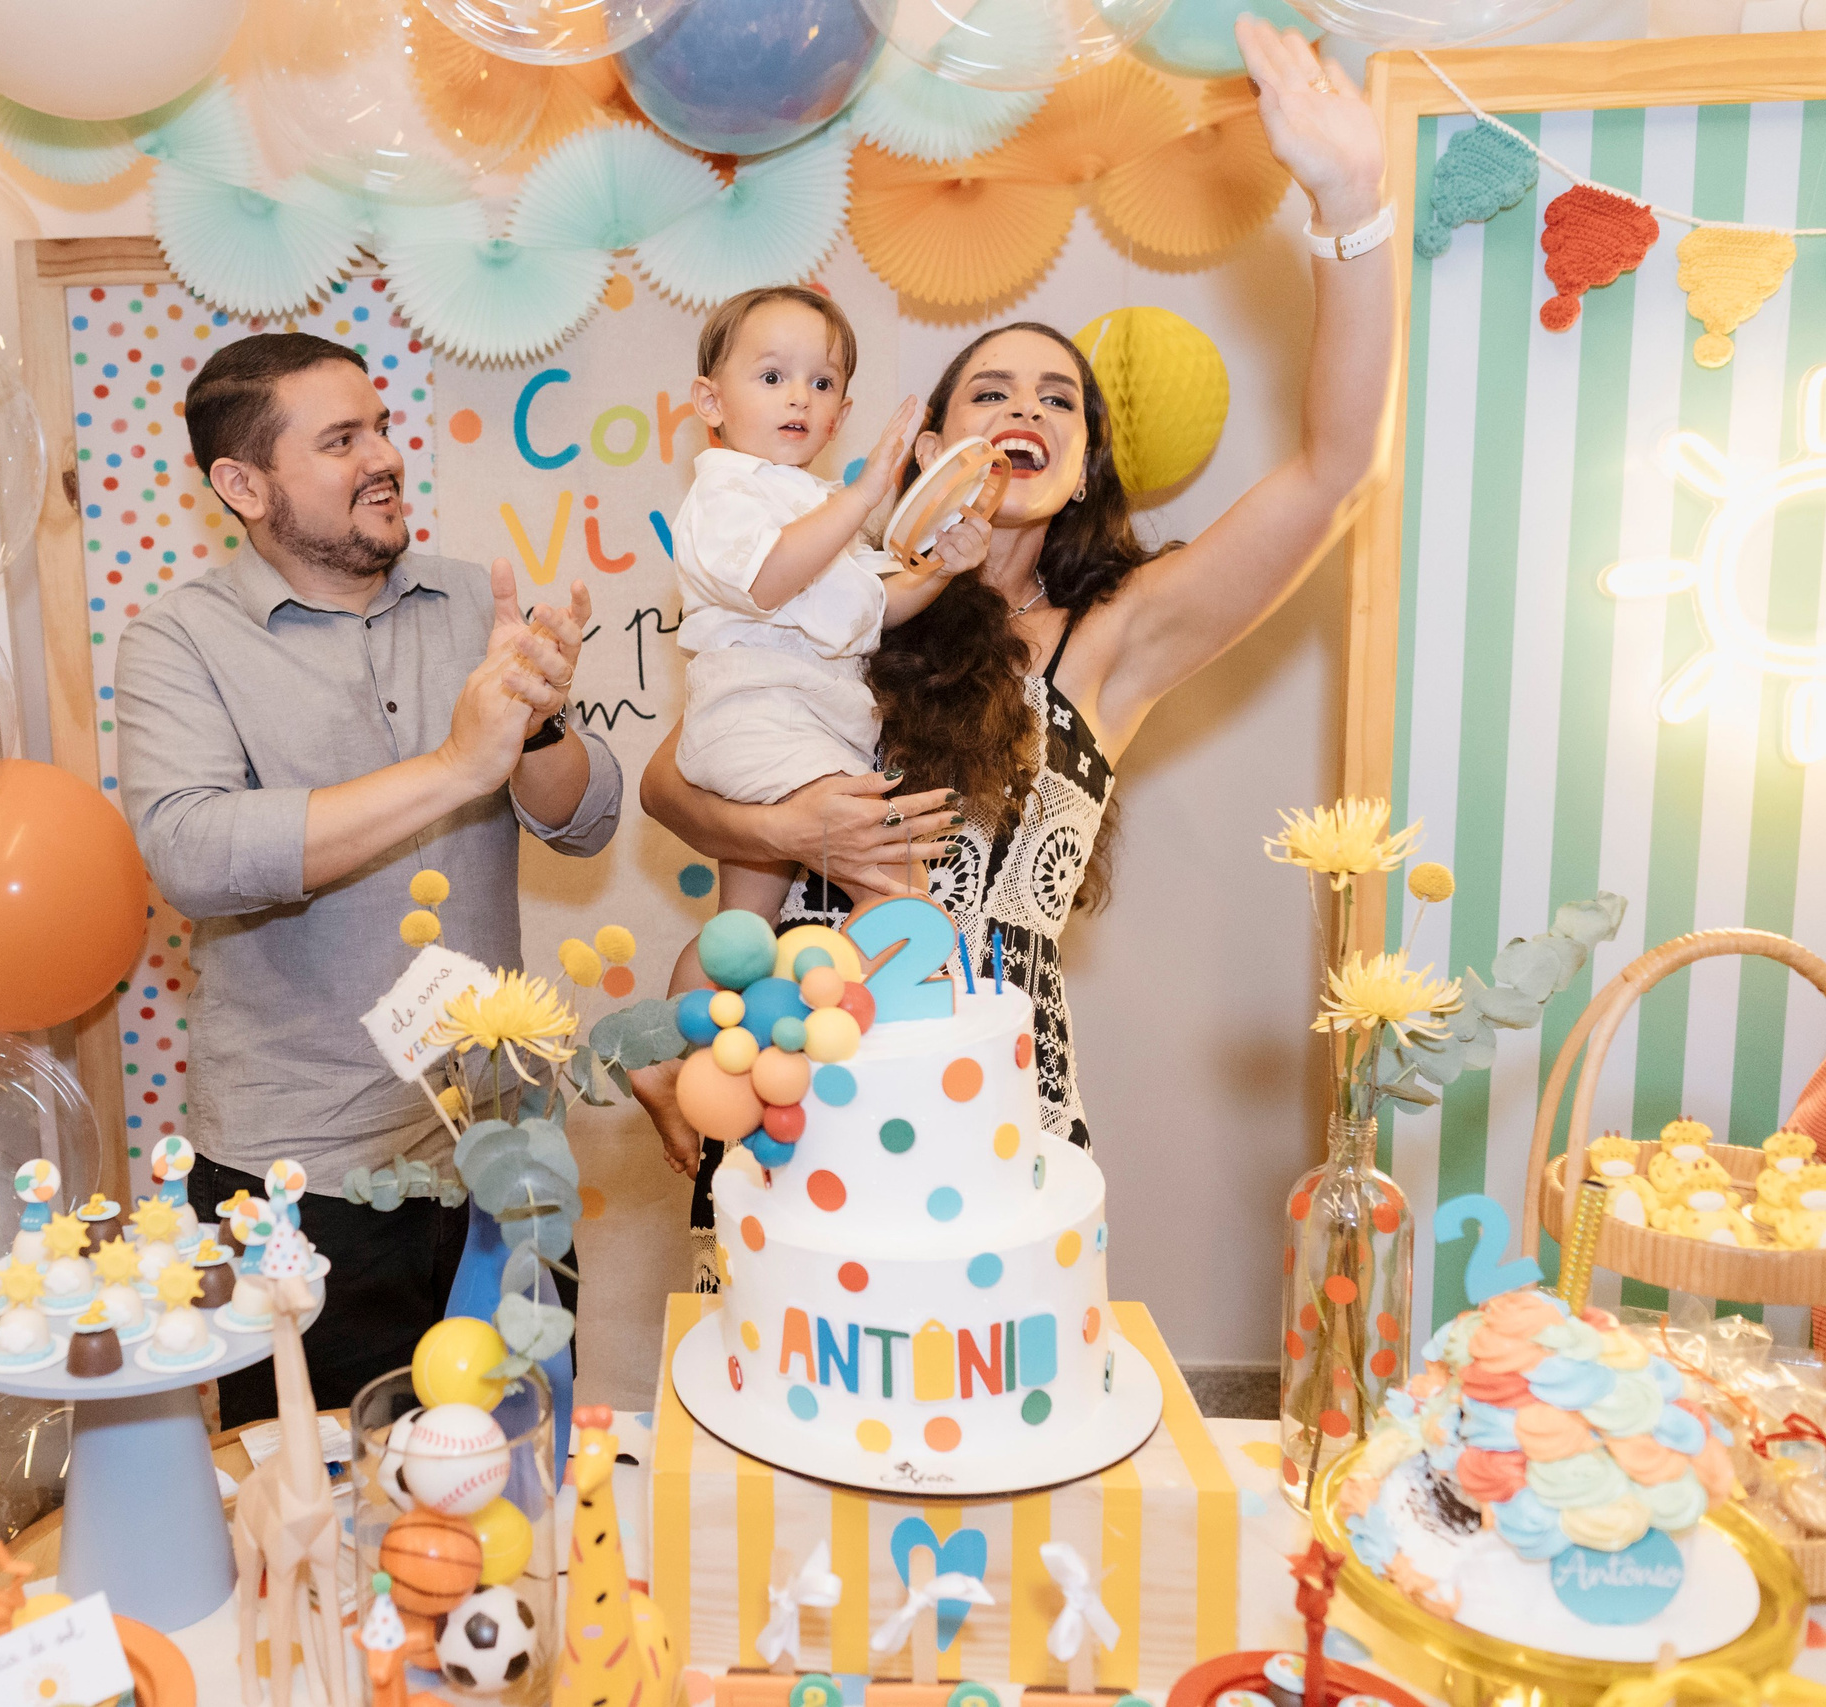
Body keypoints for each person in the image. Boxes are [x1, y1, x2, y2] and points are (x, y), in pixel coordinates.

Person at [635, 18, 1394, 1282]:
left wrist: (1351, 203)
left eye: (1058, 398)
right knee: (780, 1456)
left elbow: (1332, 473)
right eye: (990, 392)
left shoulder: (1114, 636)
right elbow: (671, 783)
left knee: (979, 1439)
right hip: (783, 1087)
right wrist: (791, 835)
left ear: (1087, 461)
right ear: (928, 440)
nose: (1025, 411)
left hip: (993, 1121)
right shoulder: (836, 603)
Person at [110, 331, 622, 1423]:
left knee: (517, 1467)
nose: (383, 456)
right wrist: (451, 766)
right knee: (329, 1497)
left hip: (503, 1147)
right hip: (301, 1179)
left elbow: (583, 820)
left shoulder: (464, 604)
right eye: (341, 439)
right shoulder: (178, 641)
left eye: (381, 426)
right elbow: (192, 856)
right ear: (243, 486)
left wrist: (531, 727)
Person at [667, 284, 935, 926]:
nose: (798, 397)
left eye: (821, 383)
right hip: (764, 722)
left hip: (800, 725)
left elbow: (874, 611)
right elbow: (767, 579)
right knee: (898, 880)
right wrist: (865, 493)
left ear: (838, 416)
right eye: (771, 376)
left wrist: (944, 566)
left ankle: (713, 1017)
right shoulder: (726, 492)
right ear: (712, 401)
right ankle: (917, 1010)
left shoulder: (810, 505)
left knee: (743, 933)